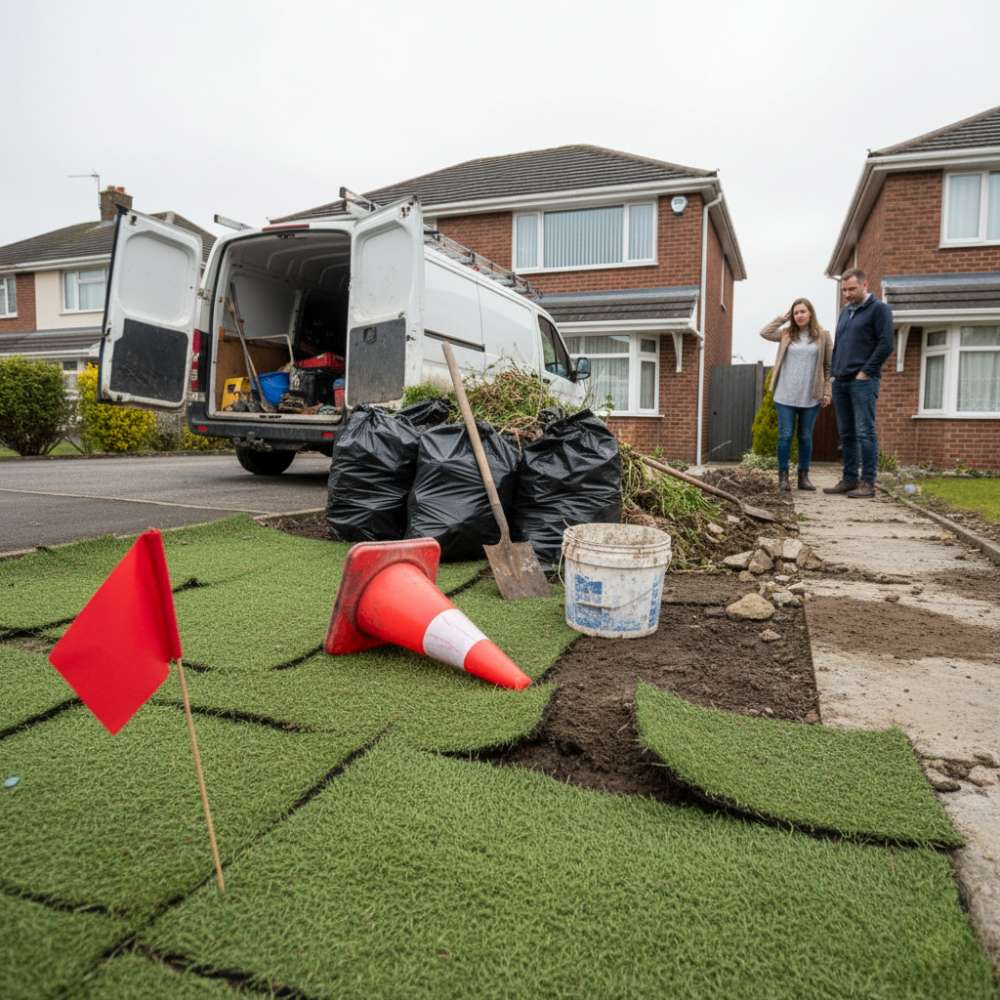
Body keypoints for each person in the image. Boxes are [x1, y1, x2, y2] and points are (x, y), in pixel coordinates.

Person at [823, 268, 894, 498]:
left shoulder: (879, 310)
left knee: (865, 432)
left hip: (863, 381)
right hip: (841, 381)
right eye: (844, 290)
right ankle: (850, 479)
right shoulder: (845, 313)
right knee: (847, 434)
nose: (847, 294)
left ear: (865, 285)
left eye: (851, 289)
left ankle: (868, 483)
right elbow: (839, 345)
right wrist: (833, 372)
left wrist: (865, 372)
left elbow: (885, 345)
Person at [759, 298, 832, 492]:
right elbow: (764, 332)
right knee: (785, 435)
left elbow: (828, 366)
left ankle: (804, 477)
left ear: (810, 313)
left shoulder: (823, 336)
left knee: (805, 437)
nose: (799, 315)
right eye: (796, 312)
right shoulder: (786, 334)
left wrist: (826, 391)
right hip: (785, 395)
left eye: (802, 311)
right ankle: (783, 477)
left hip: (811, 395)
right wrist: (781, 319)